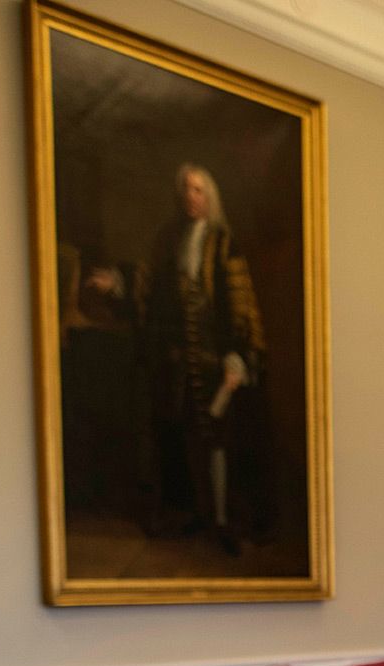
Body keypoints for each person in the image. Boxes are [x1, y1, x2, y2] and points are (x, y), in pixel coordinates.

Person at [89, 163, 265, 553]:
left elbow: (241, 304)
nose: (191, 196)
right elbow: (148, 288)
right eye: (185, 189)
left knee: (219, 441)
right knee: (184, 438)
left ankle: (224, 521)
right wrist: (118, 283)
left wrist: (237, 354)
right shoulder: (168, 240)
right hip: (179, 363)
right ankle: (195, 514)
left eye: (199, 190)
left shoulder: (223, 242)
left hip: (216, 362)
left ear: (210, 197)